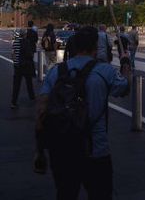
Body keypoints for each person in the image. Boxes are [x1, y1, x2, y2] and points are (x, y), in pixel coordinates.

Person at [36, 25, 131, 200]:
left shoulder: (56, 71)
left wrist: (40, 151)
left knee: (65, 194)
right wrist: (125, 63)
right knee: (100, 194)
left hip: (61, 149)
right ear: (95, 47)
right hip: (95, 150)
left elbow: (42, 110)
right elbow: (124, 88)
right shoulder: (105, 71)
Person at [11, 22, 37, 108]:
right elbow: (29, 54)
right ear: (25, 34)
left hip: (17, 66)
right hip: (25, 65)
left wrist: (15, 62)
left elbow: (13, 54)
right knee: (29, 82)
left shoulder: (15, 42)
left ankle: (13, 102)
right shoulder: (27, 42)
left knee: (16, 85)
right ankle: (32, 97)